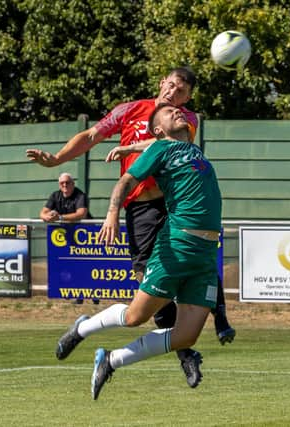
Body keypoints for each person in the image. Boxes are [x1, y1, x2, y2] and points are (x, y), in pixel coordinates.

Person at [27, 67, 235, 388]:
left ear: (188, 98)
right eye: (171, 87)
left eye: (181, 94)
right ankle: (106, 337)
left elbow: (166, 143)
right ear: (161, 83)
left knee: (197, 255)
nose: (174, 97)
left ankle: (199, 338)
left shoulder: (184, 121)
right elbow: (92, 136)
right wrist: (57, 160)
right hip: (140, 209)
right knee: (148, 298)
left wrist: (129, 148)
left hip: (173, 205)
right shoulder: (131, 111)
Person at [57, 103, 222, 400]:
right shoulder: (161, 149)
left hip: (206, 253)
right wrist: (112, 212)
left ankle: (111, 360)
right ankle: (84, 328)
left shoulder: (192, 148)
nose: (178, 112)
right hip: (178, 245)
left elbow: (154, 139)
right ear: (158, 130)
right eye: (170, 114)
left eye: (178, 111)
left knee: (187, 335)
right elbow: (126, 180)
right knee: (136, 317)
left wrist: (129, 145)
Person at [40, 172, 96, 304]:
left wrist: (59, 217)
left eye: (67, 182)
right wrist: (47, 217)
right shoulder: (55, 195)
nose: (65, 185)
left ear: (73, 183)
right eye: (62, 183)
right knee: (69, 264)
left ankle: (94, 293)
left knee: (87, 265)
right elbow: (42, 212)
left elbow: (81, 213)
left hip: (85, 235)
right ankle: (73, 293)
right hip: (66, 235)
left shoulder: (80, 195)